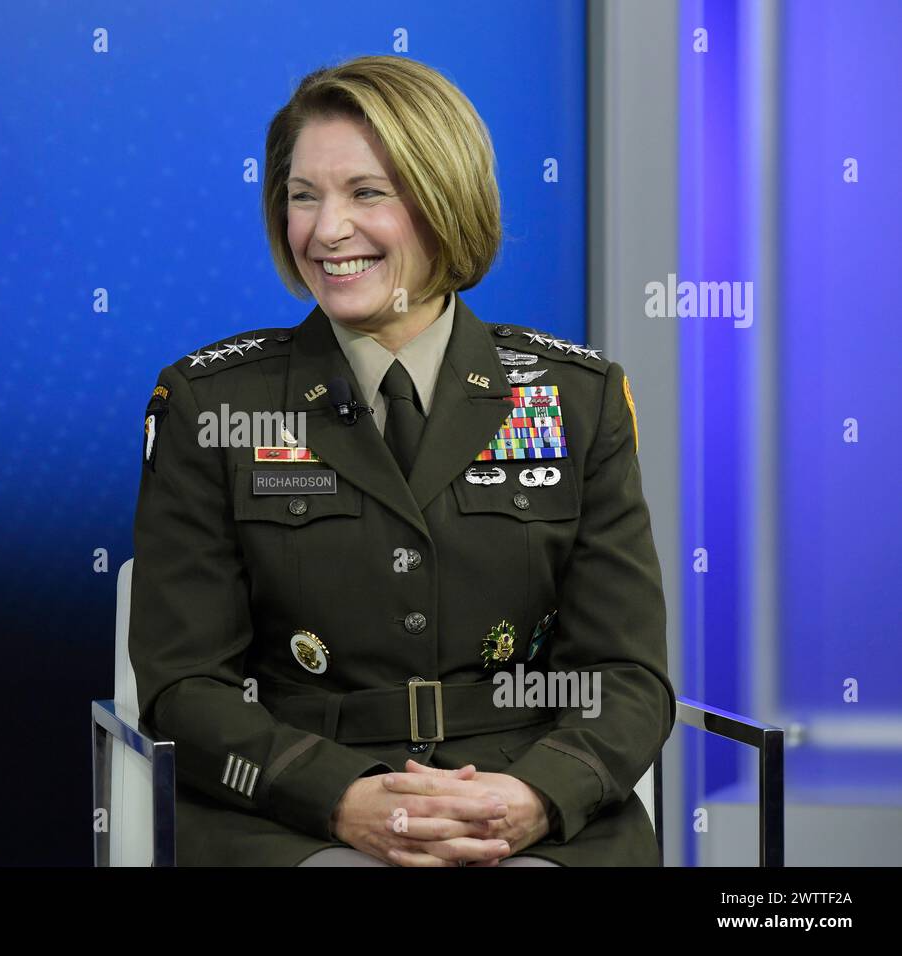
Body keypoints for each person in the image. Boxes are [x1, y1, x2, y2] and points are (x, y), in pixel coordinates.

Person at [127, 55, 674, 866]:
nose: (325, 231)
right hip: (294, 818)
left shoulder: (575, 398)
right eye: (303, 196)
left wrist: (533, 797)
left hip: (530, 811)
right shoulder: (211, 405)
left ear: (445, 199)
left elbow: (625, 675)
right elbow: (184, 687)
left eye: (366, 193)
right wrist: (340, 798)